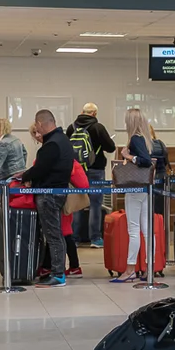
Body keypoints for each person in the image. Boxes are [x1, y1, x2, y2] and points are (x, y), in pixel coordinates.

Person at [20, 110, 74, 288]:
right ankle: (56, 271)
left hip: (49, 194)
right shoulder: (64, 140)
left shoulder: (51, 145)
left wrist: (24, 176)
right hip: (59, 192)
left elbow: (40, 169)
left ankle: (58, 275)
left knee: (53, 234)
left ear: (40, 124)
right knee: (55, 233)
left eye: (37, 126)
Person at [30, 124, 87, 279]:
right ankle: (53, 267)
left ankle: (61, 269)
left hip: (59, 200)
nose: (37, 135)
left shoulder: (53, 149)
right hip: (61, 198)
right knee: (57, 234)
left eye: (37, 131)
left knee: (60, 234)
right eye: (33, 133)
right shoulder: (56, 146)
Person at [67, 103, 117, 247]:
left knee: (77, 204)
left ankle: (74, 238)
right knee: (95, 204)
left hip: (76, 171)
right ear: (94, 114)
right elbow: (111, 147)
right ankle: (95, 238)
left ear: (82, 112)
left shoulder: (72, 127)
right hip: (95, 169)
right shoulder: (98, 127)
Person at [113, 109, 153, 284]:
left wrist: (127, 156)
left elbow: (145, 161)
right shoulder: (145, 139)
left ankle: (130, 269)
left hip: (135, 189)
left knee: (134, 229)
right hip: (145, 188)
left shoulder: (135, 139)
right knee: (147, 230)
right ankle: (149, 267)